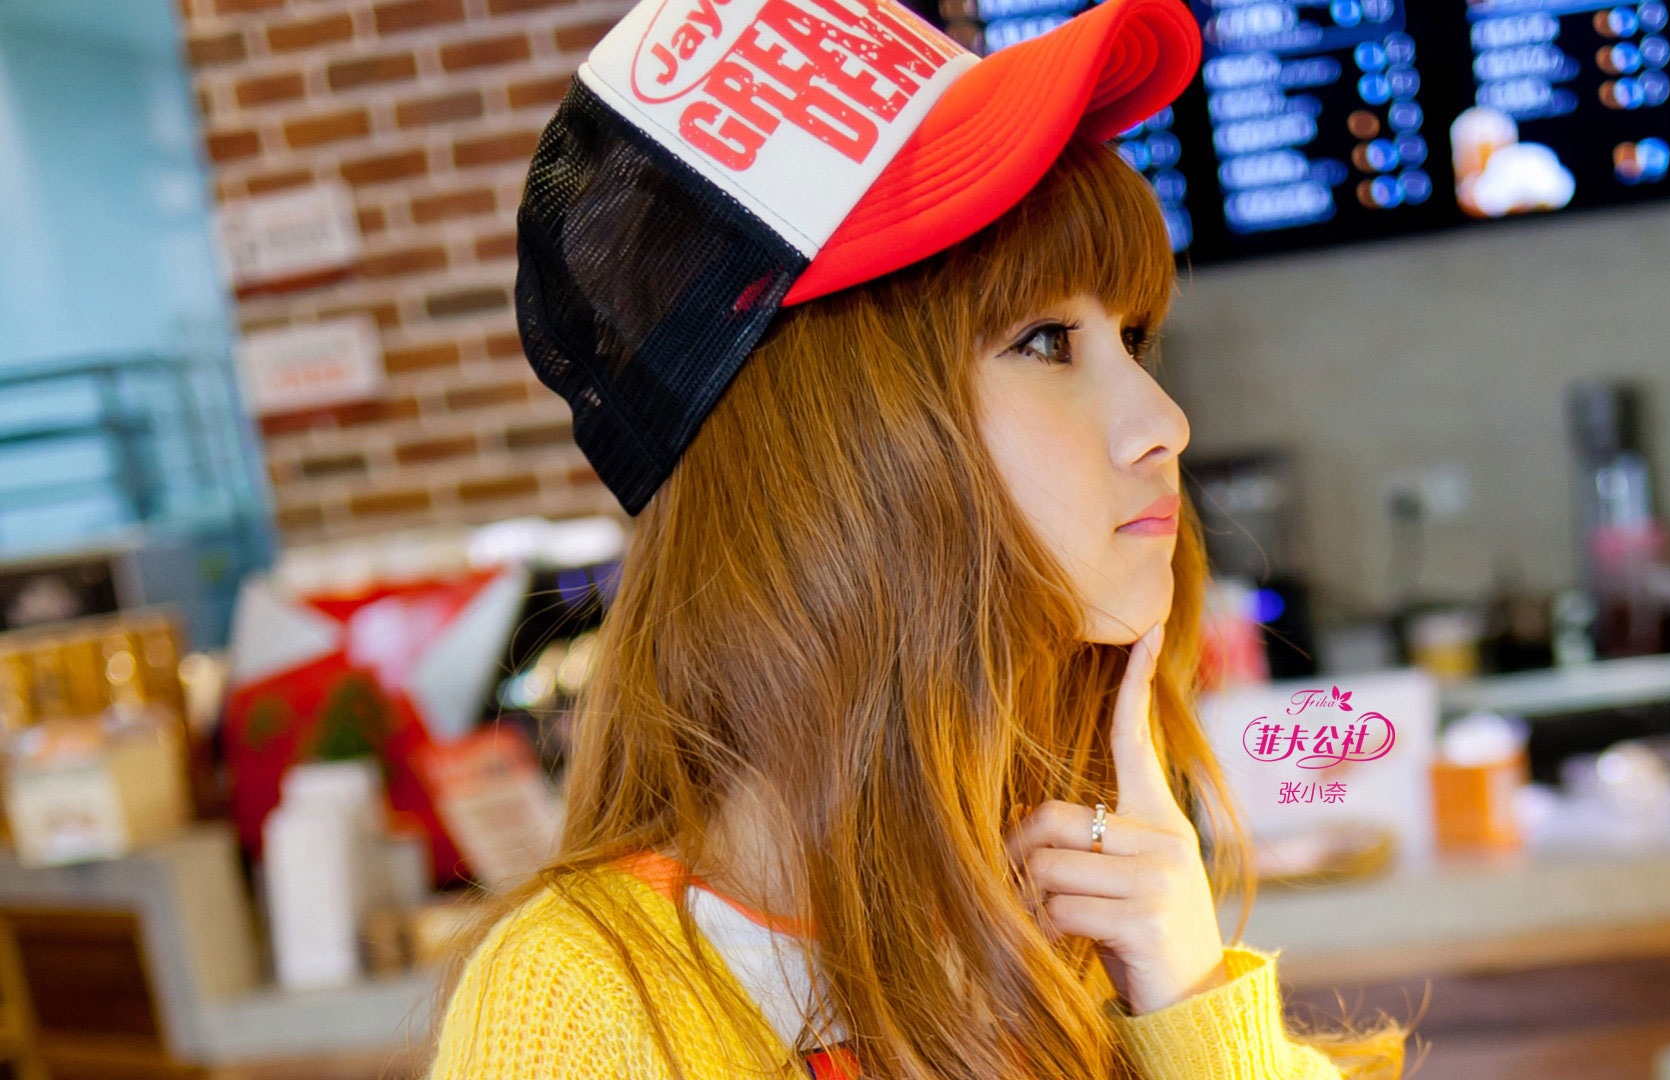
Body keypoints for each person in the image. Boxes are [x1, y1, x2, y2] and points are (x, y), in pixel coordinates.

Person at [428, 0, 1412, 1075]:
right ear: (829, 448)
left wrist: (1190, 1000)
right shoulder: (579, 1005)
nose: (1164, 423)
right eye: (1047, 341)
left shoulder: (1080, 922)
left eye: (1133, 339)